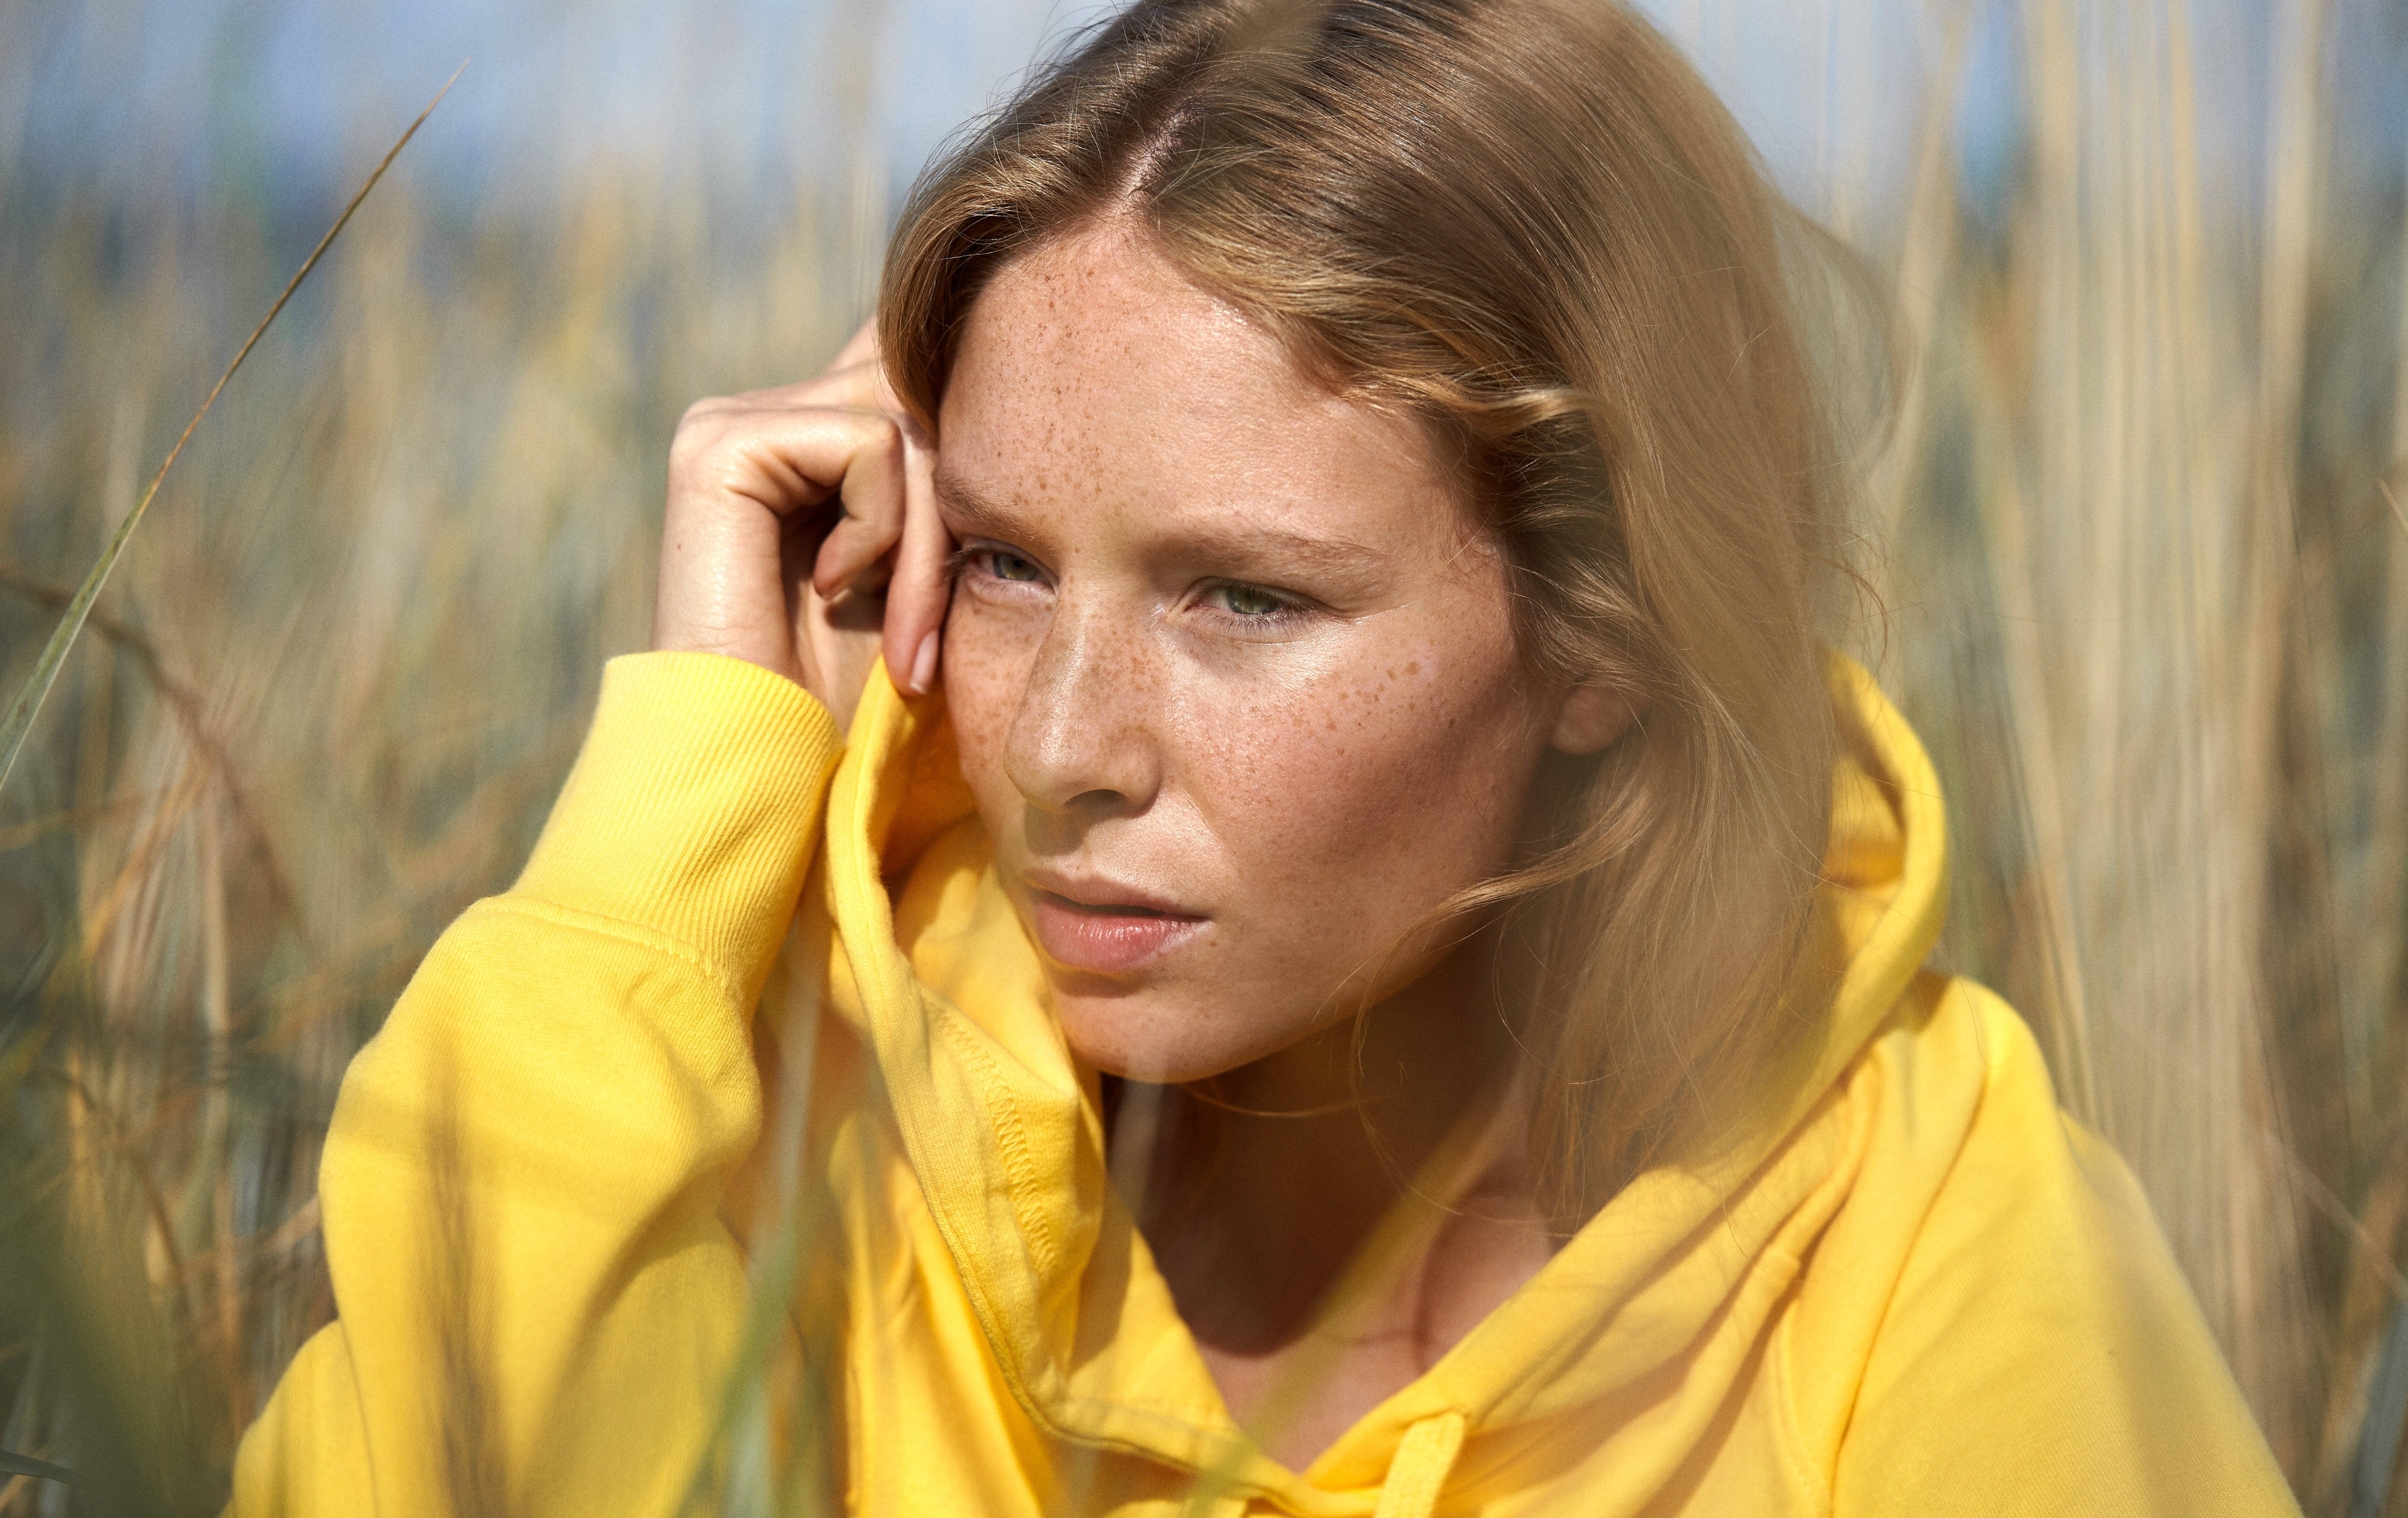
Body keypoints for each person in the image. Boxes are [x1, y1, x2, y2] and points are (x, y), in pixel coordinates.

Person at [231, 1, 2303, 1513]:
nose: (1058, 748)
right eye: (1008, 561)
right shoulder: (788, 1122)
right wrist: (679, 809)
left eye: (1242, 597)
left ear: (1606, 628)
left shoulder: (1918, 1224)